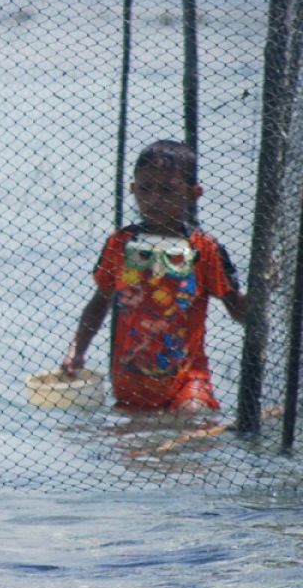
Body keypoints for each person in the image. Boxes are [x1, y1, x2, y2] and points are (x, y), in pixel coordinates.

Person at [61, 140, 246, 414]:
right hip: (129, 383)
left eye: (167, 190)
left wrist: (265, 289)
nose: (154, 199)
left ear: (193, 194)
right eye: (145, 189)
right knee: (137, 449)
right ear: (133, 190)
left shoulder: (204, 249)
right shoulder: (121, 243)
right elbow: (100, 301)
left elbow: (239, 312)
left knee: (192, 417)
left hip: (187, 381)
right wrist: (76, 350)